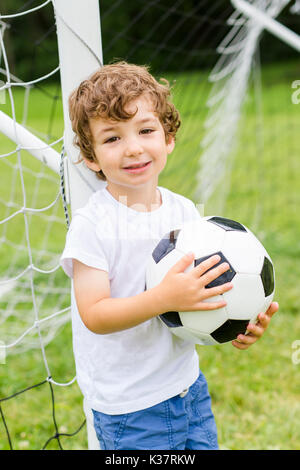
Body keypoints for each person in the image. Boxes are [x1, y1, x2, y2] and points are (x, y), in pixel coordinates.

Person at [60, 61, 278, 450]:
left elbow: (205, 296)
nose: (134, 148)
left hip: (186, 387)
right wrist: (163, 299)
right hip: (130, 406)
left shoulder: (186, 214)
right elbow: (94, 314)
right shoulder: (93, 225)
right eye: (112, 139)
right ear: (91, 157)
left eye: (146, 131)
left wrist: (238, 322)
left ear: (168, 137)